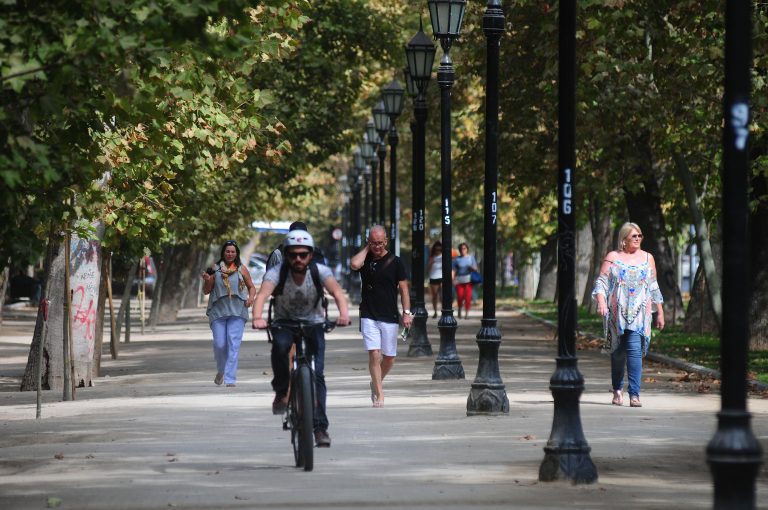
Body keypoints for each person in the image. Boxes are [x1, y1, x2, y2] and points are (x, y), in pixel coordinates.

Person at [252, 229, 351, 448]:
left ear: (310, 255)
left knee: (317, 375)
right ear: (286, 254)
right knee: (280, 347)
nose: (298, 259)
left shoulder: (320, 271)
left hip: (314, 323)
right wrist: (257, 317)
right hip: (284, 322)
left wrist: (343, 315)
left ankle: (320, 428)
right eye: (293, 254)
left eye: (303, 254)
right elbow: (262, 295)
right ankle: (281, 391)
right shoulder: (276, 273)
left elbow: (337, 293)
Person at [592, 222, 665, 408]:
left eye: (640, 235)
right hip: (617, 314)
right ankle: (617, 390)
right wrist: (601, 302)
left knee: (634, 351)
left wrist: (660, 313)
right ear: (624, 239)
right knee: (617, 354)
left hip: (640, 314)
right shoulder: (613, 257)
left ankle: (634, 394)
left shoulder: (648, 258)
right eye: (634, 236)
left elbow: (653, 286)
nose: (638, 239)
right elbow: (602, 282)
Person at [350, 225, 413, 408]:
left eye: (379, 243)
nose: (377, 247)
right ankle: (380, 393)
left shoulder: (396, 262)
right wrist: (367, 248)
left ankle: (375, 382)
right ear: (368, 243)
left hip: (389, 314)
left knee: (389, 358)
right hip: (368, 314)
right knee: (374, 354)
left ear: (386, 241)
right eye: (373, 243)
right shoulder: (365, 259)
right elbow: (354, 264)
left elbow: (404, 290)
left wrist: (406, 313)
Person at [202, 240, 257, 387]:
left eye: (233, 251)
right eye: (227, 251)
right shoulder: (215, 269)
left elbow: (251, 287)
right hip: (218, 312)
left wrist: (251, 298)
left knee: (233, 344)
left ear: (236, 253)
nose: (230, 254)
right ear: (223, 253)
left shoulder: (242, 269)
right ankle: (221, 370)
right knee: (220, 344)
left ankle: (230, 378)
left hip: (237, 311)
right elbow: (206, 290)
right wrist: (207, 280)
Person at [452, 242, 478, 319]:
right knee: (460, 297)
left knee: (468, 297)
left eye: (464, 248)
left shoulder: (471, 257)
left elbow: (475, 268)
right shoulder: (457, 259)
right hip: (459, 281)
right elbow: (453, 270)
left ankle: (466, 314)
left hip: (469, 281)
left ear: (467, 249)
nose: (463, 250)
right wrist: (453, 279)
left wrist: (471, 268)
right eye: (461, 249)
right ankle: (459, 309)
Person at [427, 241, 443, 318]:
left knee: (442, 295)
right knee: (435, 296)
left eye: (439, 250)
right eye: (436, 250)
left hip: (442, 277)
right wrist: (431, 262)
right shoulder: (432, 257)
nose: (438, 251)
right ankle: (435, 312)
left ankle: (444, 311)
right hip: (433, 277)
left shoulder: (444, 256)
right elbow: (428, 268)